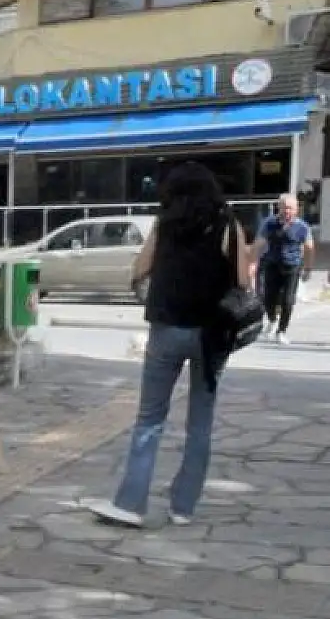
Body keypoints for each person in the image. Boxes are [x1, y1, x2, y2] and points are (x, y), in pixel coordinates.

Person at [88, 163, 253, 529]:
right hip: (213, 335)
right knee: (200, 422)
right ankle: (183, 507)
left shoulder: (165, 224)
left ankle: (131, 503)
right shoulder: (228, 224)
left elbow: (138, 270)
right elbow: (243, 278)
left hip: (167, 329)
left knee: (149, 418)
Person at [255, 193, 314, 344]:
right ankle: (272, 319)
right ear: (278, 208)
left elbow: (309, 248)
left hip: (292, 266)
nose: (287, 211)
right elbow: (260, 243)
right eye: (284, 208)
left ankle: (281, 331)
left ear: (296, 210)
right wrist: (252, 259)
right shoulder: (269, 223)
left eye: (290, 208)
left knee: (288, 300)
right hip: (272, 264)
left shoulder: (302, 227)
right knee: (268, 297)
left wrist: (308, 268)